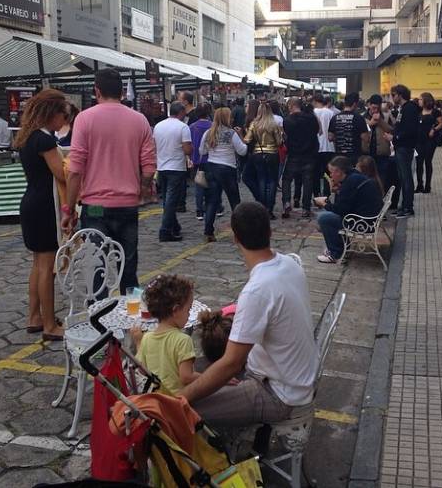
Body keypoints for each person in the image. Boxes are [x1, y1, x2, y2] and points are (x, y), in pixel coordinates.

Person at [180, 202, 318, 428]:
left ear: (235, 238)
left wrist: (181, 400)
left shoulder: (258, 290)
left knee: (183, 411)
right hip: (294, 376)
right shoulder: (290, 263)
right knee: (205, 374)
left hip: (278, 393)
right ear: (270, 232)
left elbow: (231, 364)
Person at [62, 69, 157, 294]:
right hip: (127, 205)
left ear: (97, 90)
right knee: (128, 266)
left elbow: (74, 170)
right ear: (122, 92)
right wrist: (142, 190)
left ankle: (100, 320)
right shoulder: (139, 120)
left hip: (94, 207)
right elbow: (149, 166)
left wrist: (69, 208)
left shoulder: (84, 119)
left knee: (96, 266)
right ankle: (130, 316)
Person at [15, 89, 67, 341]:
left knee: (38, 265)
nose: (64, 121)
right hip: (45, 205)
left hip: (30, 202)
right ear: (52, 113)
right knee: (48, 266)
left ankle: (34, 317)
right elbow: (62, 174)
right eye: (63, 114)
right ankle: (49, 324)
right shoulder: (45, 141)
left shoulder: (28, 138)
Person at [131, 275, 200, 395]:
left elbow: (142, 370)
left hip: (156, 400)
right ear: (175, 310)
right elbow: (186, 377)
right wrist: (210, 377)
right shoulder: (183, 340)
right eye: (188, 310)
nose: (189, 315)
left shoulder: (146, 338)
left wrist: (138, 343)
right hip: (176, 402)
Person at [314, 156, 384, 263]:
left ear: (339, 171)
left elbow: (340, 210)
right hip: (366, 218)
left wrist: (324, 203)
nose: (330, 175)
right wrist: (338, 192)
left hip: (362, 223)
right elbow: (348, 202)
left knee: (323, 218)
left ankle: (335, 253)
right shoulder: (353, 177)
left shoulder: (350, 181)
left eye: (332, 172)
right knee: (326, 216)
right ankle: (340, 248)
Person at [199, 107, 247, 242]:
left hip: (212, 167)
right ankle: (239, 233)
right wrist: (242, 137)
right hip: (227, 169)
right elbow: (242, 151)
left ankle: (208, 231)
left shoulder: (209, 133)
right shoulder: (231, 133)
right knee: (234, 202)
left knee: (211, 201)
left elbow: (201, 151)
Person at [153, 101, 193, 242]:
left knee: (167, 200)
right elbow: (187, 149)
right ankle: (165, 230)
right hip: (176, 167)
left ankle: (174, 226)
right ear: (181, 112)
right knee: (171, 201)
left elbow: (154, 146)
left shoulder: (158, 126)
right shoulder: (183, 127)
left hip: (161, 166)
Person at [242, 103, 283, 218]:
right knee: (272, 181)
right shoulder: (274, 124)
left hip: (258, 153)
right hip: (272, 154)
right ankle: (269, 208)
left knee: (261, 179)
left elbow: (247, 140)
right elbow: (279, 142)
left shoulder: (254, 124)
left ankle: (262, 206)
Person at [282, 97, 319, 218]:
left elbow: (287, 136)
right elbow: (316, 132)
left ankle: (286, 202)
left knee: (287, 179)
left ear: (291, 106)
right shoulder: (311, 118)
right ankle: (306, 208)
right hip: (309, 154)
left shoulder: (287, 120)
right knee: (307, 181)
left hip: (293, 154)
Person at [388, 84, 420, 219]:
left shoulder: (410, 108)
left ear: (400, 95)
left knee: (406, 177)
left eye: (393, 95)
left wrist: (395, 137)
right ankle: (404, 206)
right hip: (401, 146)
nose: (392, 98)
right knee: (402, 177)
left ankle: (408, 207)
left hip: (405, 147)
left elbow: (410, 129)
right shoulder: (404, 108)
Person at [328, 92, 369, 167]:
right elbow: (366, 138)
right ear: (354, 104)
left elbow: (330, 137)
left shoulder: (334, 118)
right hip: (354, 156)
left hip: (339, 156)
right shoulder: (359, 118)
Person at [415, 92, 442, 194]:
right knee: (419, 163)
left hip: (430, 140)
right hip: (419, 140)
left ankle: (428, 186)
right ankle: (419, 185)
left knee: (428, 161)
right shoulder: (418, 111)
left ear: (425, 100)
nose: (418, 101)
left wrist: (434, 130)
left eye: (420, 99)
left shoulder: (435, 112)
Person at [362, 94, 392, 188]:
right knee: (366, 177)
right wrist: (370, 123)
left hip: (382, 153)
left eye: (377, 108)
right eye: (373, 107)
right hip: (366, 152)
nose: (375, 110)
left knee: (382, 177)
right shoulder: (362, 117)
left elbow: (391, 130)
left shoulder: (387, 116)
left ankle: (381, 199)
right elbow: (359, 131)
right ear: (369, 105)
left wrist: (380, 121)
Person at [189, 104, 212, 220]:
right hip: (211, 159)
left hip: (196, 159)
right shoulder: (213, 126)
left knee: (199, 185)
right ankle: (212, 207)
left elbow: (189, 144)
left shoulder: (192, 127)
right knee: (211, 185)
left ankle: (199, 210)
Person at [313, 94, 336, 196]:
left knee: (316, 174)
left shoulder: (313, 113)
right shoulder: (331, 113)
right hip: (329, 147)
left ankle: (316, 194)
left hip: (316, 148)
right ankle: (327, 194)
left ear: (315, 101)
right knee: (328, 173)